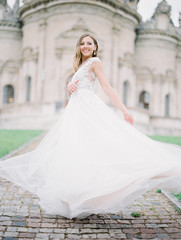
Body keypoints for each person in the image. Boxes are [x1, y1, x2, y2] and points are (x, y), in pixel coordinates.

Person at [0, 32, 181, 220]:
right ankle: (80, 195)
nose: (85, 46)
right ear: (79, 47)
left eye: (89, 43)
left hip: (88, 110)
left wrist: (124, 110)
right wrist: (70, 88)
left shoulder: (96, 62)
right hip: (76, 111)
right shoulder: (80, 65)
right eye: (82, 43)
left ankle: (92, 194)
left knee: (95, 149)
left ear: (95, 47)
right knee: (77, 151)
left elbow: (107, 87)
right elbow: (79, 88)